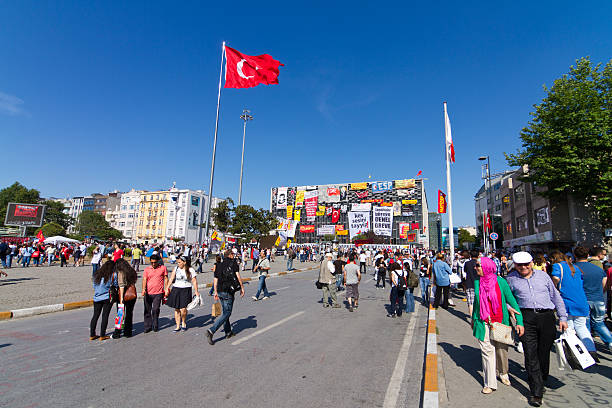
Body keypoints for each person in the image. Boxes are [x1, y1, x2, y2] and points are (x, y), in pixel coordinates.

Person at [506, 251, 567, 407]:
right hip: (526, 318)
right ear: (515, 265)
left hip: (546, 317)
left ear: (532, 263)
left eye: (527, 264)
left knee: (543, 352)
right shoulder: (511, 279)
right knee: (530, 353)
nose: (524, 267)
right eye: (520, 265)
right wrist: (509, 308)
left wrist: (563, 317)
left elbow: (556, 296)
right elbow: (505, 298)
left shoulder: (543, 276)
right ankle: (536, 392)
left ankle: (541, 377)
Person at [472, 256, 524, 394]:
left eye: (478, 265)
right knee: (487, 352)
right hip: (483, 322)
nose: (475, 267)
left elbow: (512, 302)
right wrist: (473, 319)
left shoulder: (501, 282)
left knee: (502, 351)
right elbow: (477, 304)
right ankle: (490, 383)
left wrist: (519, 322)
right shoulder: (477, 282)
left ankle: (503, 373)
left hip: (500, 322)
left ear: (487, 267)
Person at [548, 250, 597, 357]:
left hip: (567, 301)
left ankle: (574, 353)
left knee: (568, 328)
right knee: (581, 326)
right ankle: (591, 350)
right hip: (581, 300)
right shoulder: (575, 267)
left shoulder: (557, 266)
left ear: (553, 259)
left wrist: (553, 286)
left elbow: (556, 278)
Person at [574, 246, 612, 351]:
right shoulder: (598, 269)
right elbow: (604, 284)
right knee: (599, 322)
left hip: (583, 299)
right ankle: (610, 341)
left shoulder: (573, 268)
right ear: (587, 256)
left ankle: (589, 347)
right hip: (598, 298)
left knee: (584, 324)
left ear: (575, 256)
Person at [206, 250, 245, 344]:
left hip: (219, 291)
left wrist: (215, 292)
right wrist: (242, 287)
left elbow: (215, 280)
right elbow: (238, 276)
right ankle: (212, 330)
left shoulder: (219, 265)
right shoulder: (233, 263)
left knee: (225, 312)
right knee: (227, 313)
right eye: (233, 254)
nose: (234, 256)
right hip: (228, 291)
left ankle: (228, 332)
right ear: (230, 255)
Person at [165, 256, 199, 331]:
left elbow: (194, 281)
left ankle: (183, 322)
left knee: (183, 309)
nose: (178, 264)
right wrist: (167, 288)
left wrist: (196, 291)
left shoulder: (190, 270)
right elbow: (171, 279)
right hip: (176, 289)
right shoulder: (176, 268)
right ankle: (177, 325)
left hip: (186, 290)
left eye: (179, 262)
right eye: (178, 262)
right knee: (177, 308)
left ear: (184, 262)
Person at [90, 260, 117, 341]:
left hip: (97, 297)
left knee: (95, 315)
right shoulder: (113, 275)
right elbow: (115, 285)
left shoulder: (96, 275)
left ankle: (92, 334)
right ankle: (102, 335)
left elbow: (94, 286)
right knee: (105, 316)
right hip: (107, 298)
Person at [141, 254, 168, 333]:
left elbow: (166, 279)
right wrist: (143, 289)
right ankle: (147, 326)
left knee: (155, 309)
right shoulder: (147, 269)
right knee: (147, 310)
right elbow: (144, 279)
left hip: (158, 293)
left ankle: (155, 325)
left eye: (155, 262)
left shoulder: (163, 268)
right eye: (151, 262)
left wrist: (166, 289)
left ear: (158, 262)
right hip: (148, 293)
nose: (153, 264)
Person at [463, 250, 479, 316]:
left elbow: (465, 271)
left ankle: (472, 317)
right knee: (478, 301)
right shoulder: (479, 263)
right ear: (477, 256)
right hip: (478, 284)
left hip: (469, 283)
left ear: (470, 256)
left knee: (470, 302)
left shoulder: (467, 263)